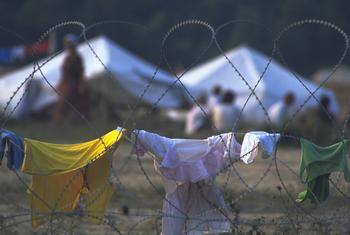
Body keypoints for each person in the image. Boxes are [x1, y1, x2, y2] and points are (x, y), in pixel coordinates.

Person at [52, 34, 87, 123]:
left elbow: (80, 73)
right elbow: (64, 74)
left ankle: (60, 122)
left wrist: (81, 85)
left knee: (66, 105)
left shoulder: (77, 58)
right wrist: (60, 84)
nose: (67, 45)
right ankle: (59, 122)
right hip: (65, 84)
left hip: (73, 85)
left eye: (69, 43)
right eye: (67, 43)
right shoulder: (67, 58)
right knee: (61, 105)